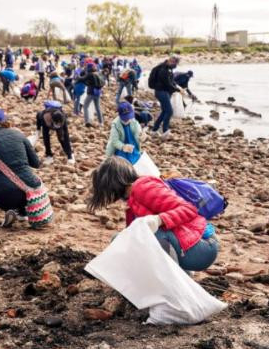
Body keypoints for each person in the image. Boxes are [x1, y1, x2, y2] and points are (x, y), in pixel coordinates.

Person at [87, 156, 219, 272]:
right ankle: (177, 274)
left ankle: (172, 280)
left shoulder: (143, 187)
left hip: (203, 246)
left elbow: (189, 209)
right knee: (120, 238)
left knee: (152, 235)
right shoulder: (131, 200)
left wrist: (158, 220)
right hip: (185, 245)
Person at [147, 56, 180, 138]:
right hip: (161, 92)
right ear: (172, 61)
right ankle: (165, 130)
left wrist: (177, 86)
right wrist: (176, 89)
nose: (176, 65)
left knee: (164, 111)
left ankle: (155, 130)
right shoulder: (163, 69)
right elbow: (167, 83)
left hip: (163, 92)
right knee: (169, 111)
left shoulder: (167, 68)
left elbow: (171, 81)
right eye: (176, 63)